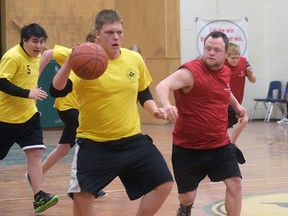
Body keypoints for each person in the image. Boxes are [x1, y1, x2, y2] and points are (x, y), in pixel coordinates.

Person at [49, 9, 173, 216]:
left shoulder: (134, 59)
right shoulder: (84, 62)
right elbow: (56, 90)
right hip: (94, 144)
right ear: (97, 33)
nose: (116, 37)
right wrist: (70, 62)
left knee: (164, 183)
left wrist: (155, 111)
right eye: (109, 32)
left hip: (132, 141)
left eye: (119, 32)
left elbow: (143, 93)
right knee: (82, 197)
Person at [155, 31, 246, 216]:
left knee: (235, 183)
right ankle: (186, 207)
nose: (211, 53)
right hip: (188, 148)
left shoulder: (225, 71)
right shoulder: (189, 73)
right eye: (208, 48)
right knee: (187, 197)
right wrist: (166, 105)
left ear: (226, 54)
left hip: (219, 144)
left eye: (216, 50)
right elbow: (162, 86)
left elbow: (224, 89)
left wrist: (236, 105)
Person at [39, 30, 107, 198]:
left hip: (80, 108)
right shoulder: (74, 54)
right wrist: (34, 78)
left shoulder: (104, 62)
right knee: (91, 140)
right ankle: (80, 184)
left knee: (63, 149)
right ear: (88, 45)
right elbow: (47, 53)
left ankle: (35, 174)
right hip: (67, 106)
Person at [0, 23, 59, 213]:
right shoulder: (12, 57)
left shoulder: (39, 55)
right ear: (24, 40)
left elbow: (52, 52)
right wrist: (28, 93)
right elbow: (1, 81)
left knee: (35, 154)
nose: (38, 46)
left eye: (41, 42)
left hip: (28, 117)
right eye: (34, 41)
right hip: (5, 118)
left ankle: (39, 196)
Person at [225, 42, 256, 144]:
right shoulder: (221, 64)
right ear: (226, 56)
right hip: (223, 101)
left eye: (237, 58)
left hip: (236, 102)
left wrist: (250, 74)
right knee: (222, 125)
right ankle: (228, 144)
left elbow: (253, 80)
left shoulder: (244, 63)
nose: (235, 60)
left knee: (243, 120)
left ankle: (230, 143)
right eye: (232, 58)